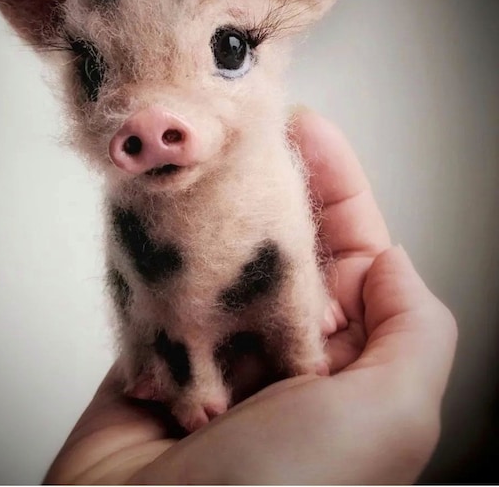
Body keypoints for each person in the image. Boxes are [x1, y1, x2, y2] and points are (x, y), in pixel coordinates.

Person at [44, 109, 457, 484]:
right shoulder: (127, 210)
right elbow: (143, 295)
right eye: (96, 69)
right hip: (168, 309)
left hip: (265, 275)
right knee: (149, 296)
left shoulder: (270, 169)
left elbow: (291, 254)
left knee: (289, 267)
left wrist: (302, 345)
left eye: (229, 49)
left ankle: (298, 333)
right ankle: (178, 376)